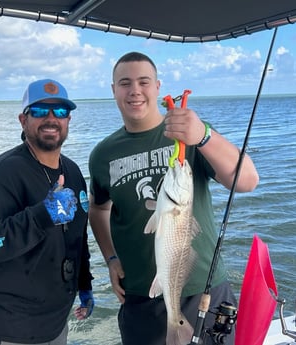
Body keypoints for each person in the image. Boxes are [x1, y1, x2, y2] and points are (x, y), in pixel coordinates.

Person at [88, 52, 259, 345]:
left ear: (157, 87)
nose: (135, 91)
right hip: (141, 294)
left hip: (202, 287)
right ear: (113, 89)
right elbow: (98, 208)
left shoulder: (189, 133)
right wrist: (111, 258)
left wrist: (204, 135)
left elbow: (247, 181)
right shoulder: (103, 154)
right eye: (125, 83)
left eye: (144, 82)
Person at [0, 79, 94, 345]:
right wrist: (42, 215)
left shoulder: (73, 172)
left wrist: (84, 283)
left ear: (69, 120)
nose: (51, 119)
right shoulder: (4, 173)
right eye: (40, 111)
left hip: (50, 325)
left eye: (60, 112)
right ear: (23, 120)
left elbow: (77, 238)